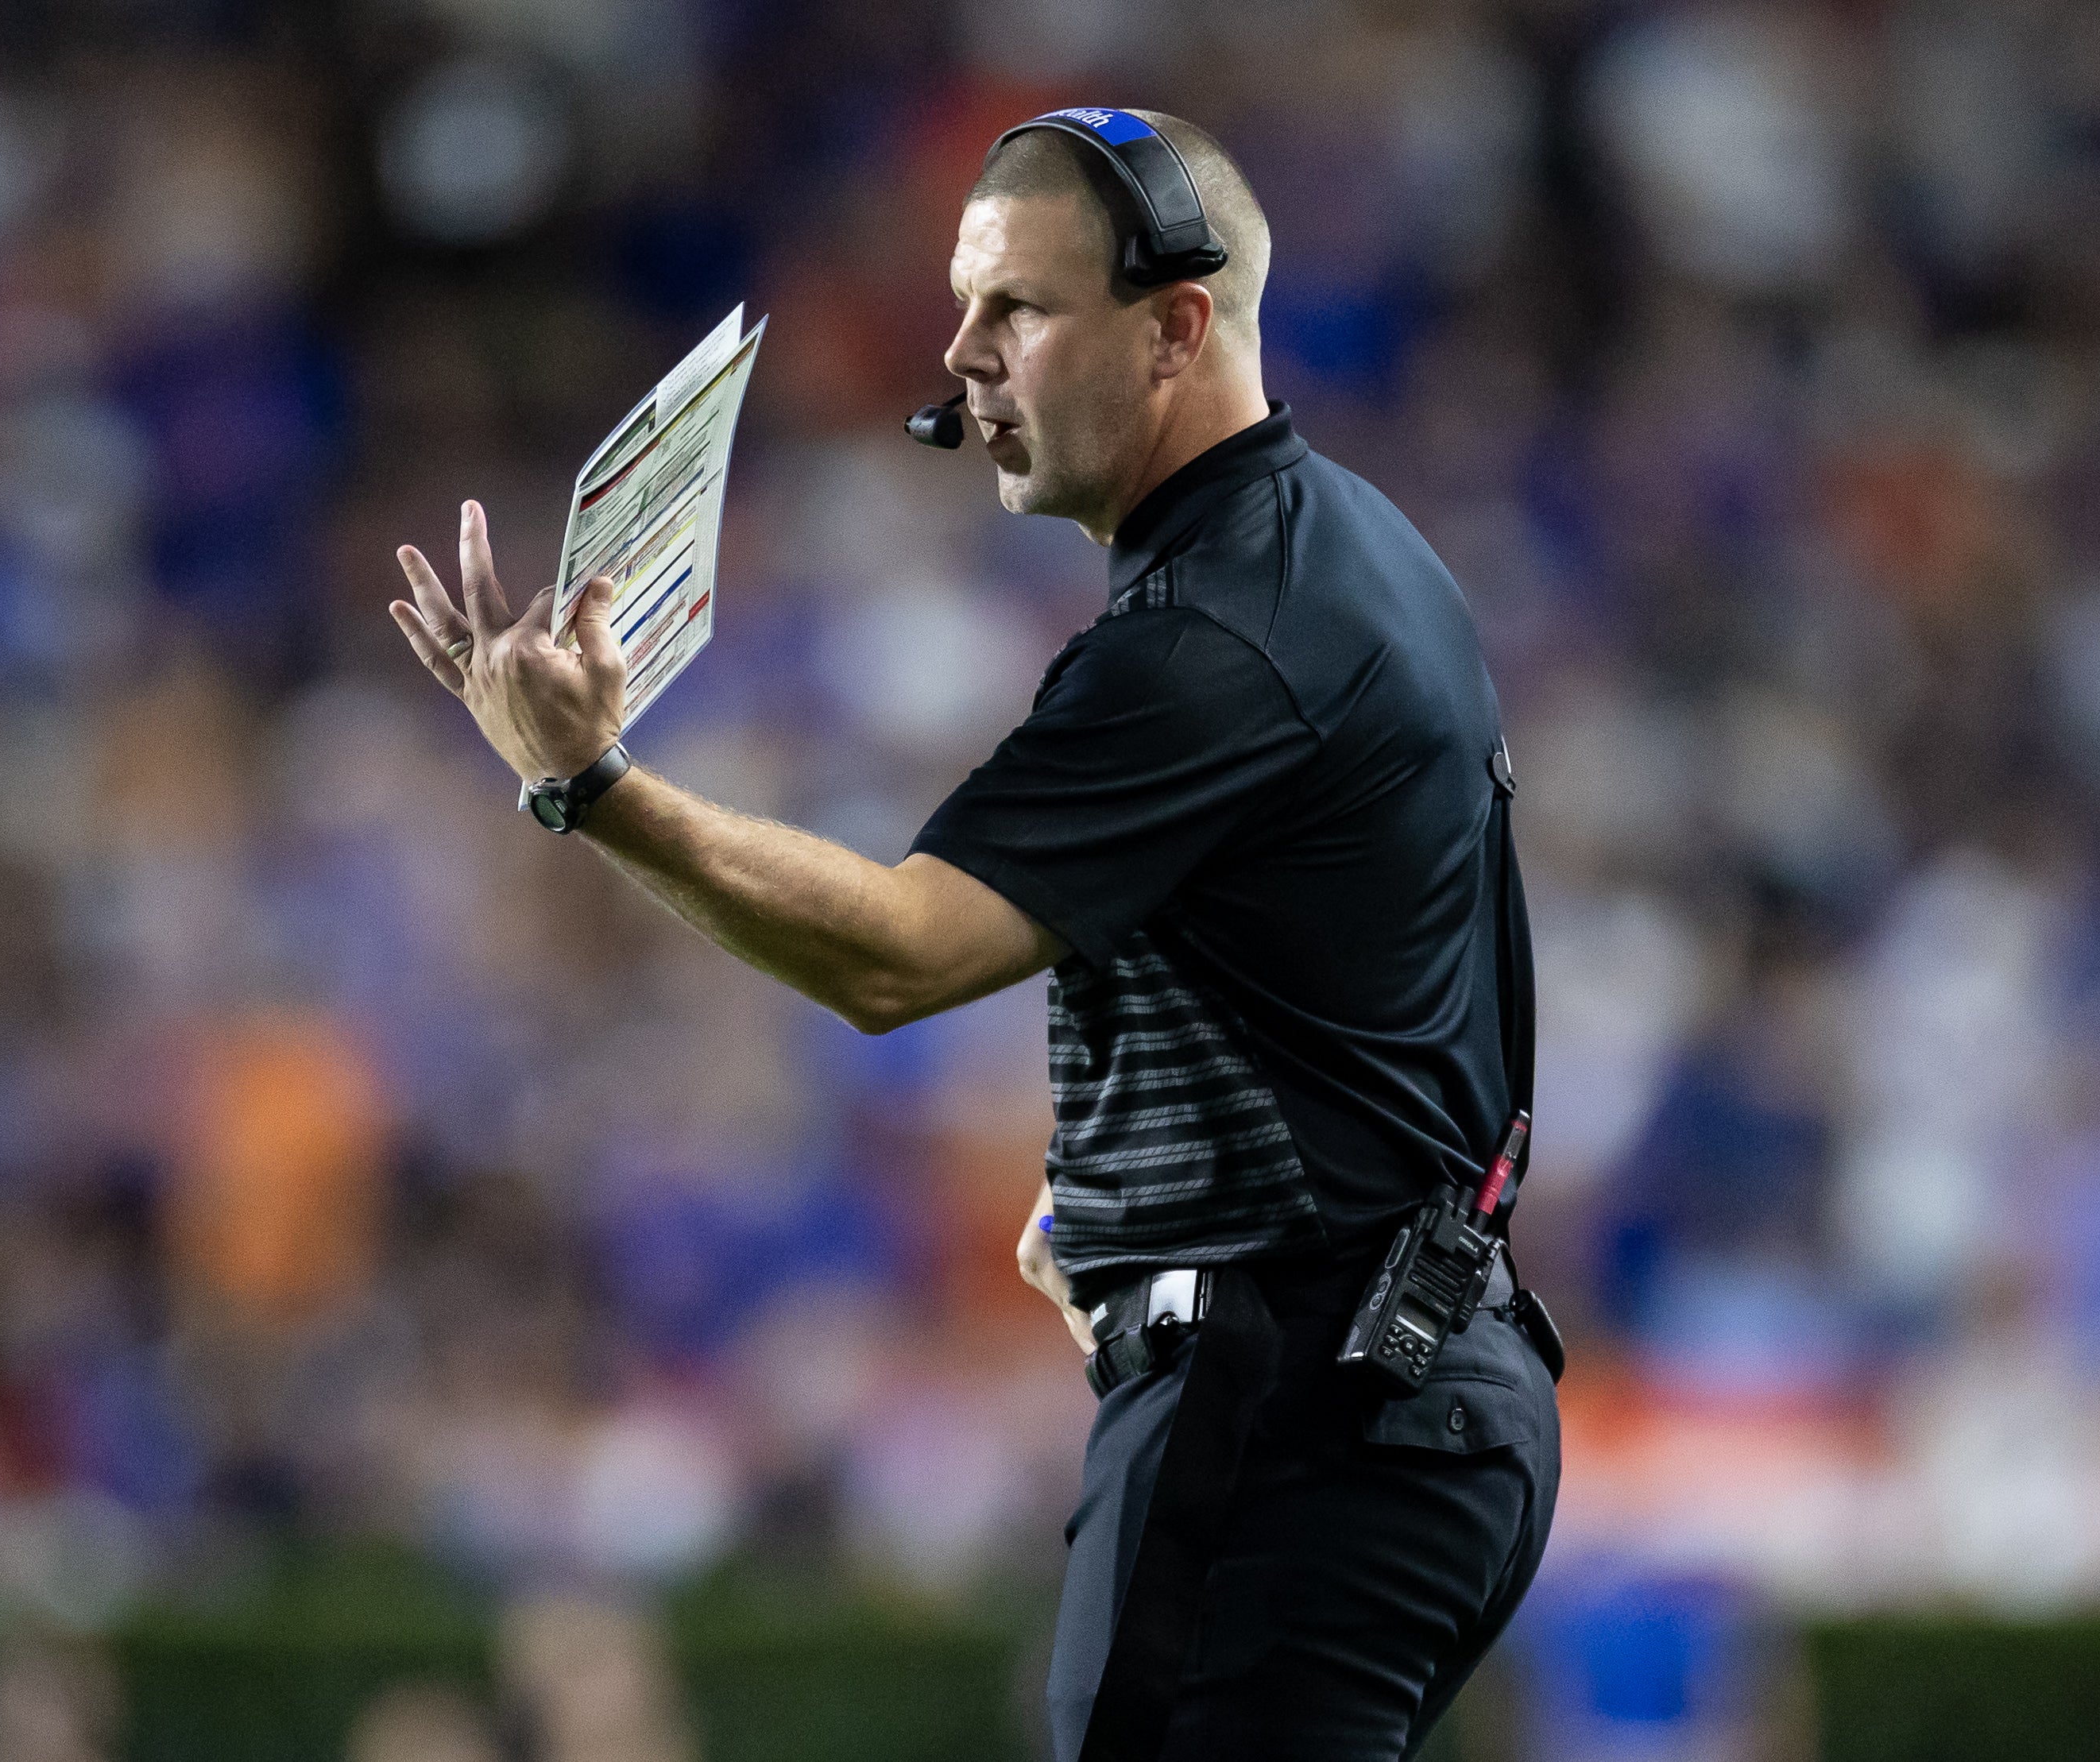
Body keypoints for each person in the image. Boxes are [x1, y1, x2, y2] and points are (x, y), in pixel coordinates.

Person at [388, 106, 1558, 1762]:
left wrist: (590, 780)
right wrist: (1126, 1176)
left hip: (1297, 1412)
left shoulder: (1212, 632)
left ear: (1174, 325)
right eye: (963, 306)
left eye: (1015, 307)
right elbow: (1363, 978)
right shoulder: (1352, 548)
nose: (960, 353)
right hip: (1409, 1383)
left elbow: (895, 954)